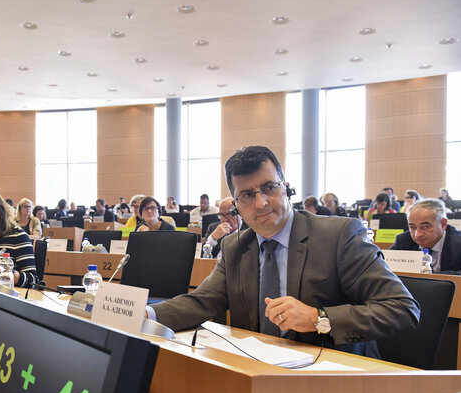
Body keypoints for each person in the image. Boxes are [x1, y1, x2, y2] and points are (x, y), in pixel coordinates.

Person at [146, 145, 419, 358]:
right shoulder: (235, 247)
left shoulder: (339, 236)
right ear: (236, 206)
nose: (262, 202)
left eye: (269, 188)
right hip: (258, 374)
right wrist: (146, 315)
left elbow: (402, 309)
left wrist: (319, 318)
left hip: (334, 377)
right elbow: (201, 302)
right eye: (247, 195)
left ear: (285, 188)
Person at [390, 198, 461, 274]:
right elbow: (385, 268)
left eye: (425, 227)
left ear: (443, 224)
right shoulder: (403, 241)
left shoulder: (460, 245)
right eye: (412, 227)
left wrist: (431, 278)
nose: (417, 234)